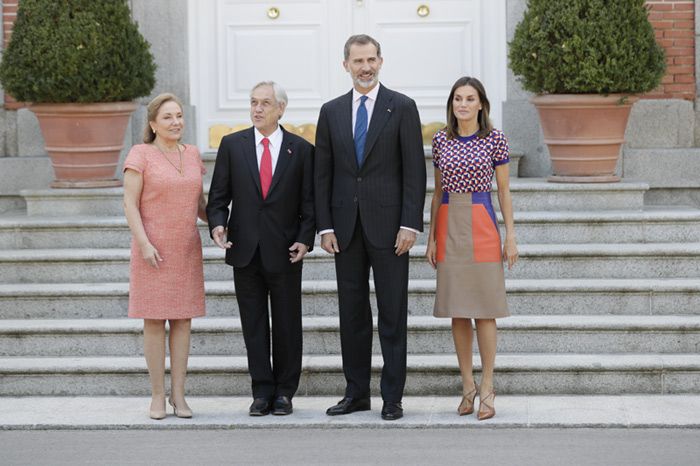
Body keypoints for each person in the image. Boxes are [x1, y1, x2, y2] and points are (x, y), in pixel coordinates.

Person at [315, 34, 426, 421]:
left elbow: (415, 170)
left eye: (371, 60)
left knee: (393, 314)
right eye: (358, 61)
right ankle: (356, 393)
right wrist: (324, 225)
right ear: (345, 64)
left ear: (381, 61)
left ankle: (392, 397)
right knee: (353, 314)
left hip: (391, 228)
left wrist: (410, 223)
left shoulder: (403, 107)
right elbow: (322, 173)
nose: (365, 67)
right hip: (345, 229)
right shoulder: (330, 112)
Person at [207, 81, 315, 416]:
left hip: (285, 250)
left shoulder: (301, 149)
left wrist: (305, 237)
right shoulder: (232, 145)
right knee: (253, 324)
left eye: (265, 103)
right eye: (254, 102)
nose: (257, 109)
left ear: (281, 108)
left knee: (286, 324)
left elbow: (309, 203)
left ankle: (284, 392)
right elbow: (218, 197)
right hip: (245, 250)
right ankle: (261, 391)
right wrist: (217, 224)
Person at [426, 77, 518, 421]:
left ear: (481, 104)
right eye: (457, 99)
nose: (462, 104)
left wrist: (510, 235)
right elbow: (436, 192)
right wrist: (432, 237)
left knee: (485, 308)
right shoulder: (440, 139)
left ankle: (488, 386)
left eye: (469, 99)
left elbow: (505, 191)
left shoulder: (494, 138)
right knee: (458, 309)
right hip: (449, 221)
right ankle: (467, 387)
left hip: (481, 221)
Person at [123, 93, 207, 420]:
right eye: (168, 117)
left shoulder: (193, 154)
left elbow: (199, 204)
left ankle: (180, 396)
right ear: (154, 123)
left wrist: (220, 225)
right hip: (152, 249)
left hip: (185, 248)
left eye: (179, 116)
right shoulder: (141, 154)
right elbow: (130, 203)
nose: (176, 122)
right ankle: (157, 395)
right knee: (155, 320)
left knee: (183, 320)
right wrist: (143, 243)